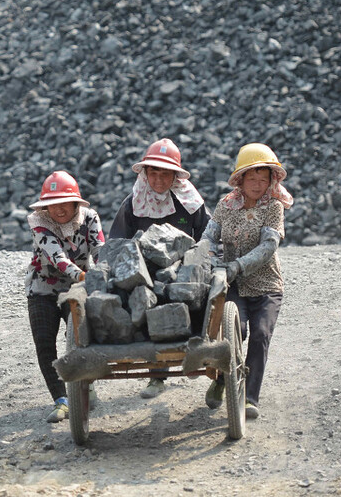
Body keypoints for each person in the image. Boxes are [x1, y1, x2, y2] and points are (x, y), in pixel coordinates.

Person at [108, 138, 210, 398]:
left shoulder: (189, 202)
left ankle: (198, 354)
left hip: (184, 276)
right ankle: (157, 375)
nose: (159, 180)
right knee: (141, 300)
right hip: (145, 277)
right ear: (146, 173)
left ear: (175, 176)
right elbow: (117, 243)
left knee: (194, 298)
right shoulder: (133, 203)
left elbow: (208, 238)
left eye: (166, 173)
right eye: (154, 172)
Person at [201, 142, 292, 420]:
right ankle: (222, 380)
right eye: (251, 177)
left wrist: (236, 266)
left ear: (270, 181)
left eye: (262, 178)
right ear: (240, 179)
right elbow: (208, 237)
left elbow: (268, 247)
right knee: (235, 331)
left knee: (261, 334)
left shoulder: (273, 207)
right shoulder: (225, 206)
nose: (256, 183)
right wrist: (209, 259)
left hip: (266, 286)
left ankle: (250, 398)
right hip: (234, 286)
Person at [24, 170, 105, 423]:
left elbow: (100, 250)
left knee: (81, 338)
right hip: (42, 288)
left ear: (75, 202)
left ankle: (85, 384)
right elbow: (57, 258)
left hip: (77, 289)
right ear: (45, 206)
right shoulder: (39, 222)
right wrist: (84, 276)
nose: (59, 209)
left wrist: (107, 274)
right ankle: (61, 399)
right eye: (53, 203)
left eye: (64, 202)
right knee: (45, 343)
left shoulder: (90, 218)